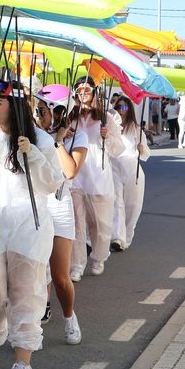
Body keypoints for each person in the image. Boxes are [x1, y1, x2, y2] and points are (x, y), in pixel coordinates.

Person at [0, 79, 63, 369]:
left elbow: (53, 183)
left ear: (14, 105)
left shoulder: (41, 140)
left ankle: (22, 363)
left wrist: (33, 153)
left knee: (26, 292)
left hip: (29, 226)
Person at [35, 93, 87, 346]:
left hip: (59, 204)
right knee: (35, 270)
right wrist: (40, 131)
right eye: (39, 109)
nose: (41, 114)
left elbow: (69, 171)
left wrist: (57, 142)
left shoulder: (78, 136)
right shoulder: (33, 134)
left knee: (59, 275)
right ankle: (36, 317)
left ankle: (69, 315)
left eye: (45, 110)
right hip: (35, 203)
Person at [67, 77, 124, 278]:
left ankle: (99, 257)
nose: (83, 93)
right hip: (76, 174)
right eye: (79, 90)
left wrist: (107, 136)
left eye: (87, 89)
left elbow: (118, 149)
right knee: (76, 222)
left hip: (98, 176)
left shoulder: (105, 118)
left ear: (94, 92)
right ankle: (77, 265)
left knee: (100, 224)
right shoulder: (70, 117)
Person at [110, 96, 151, 252]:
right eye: (118, 107)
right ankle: (118, 238)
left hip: (132, 167)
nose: (121, 110)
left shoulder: (135, 128)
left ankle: (127, 236)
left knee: (132, 205)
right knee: (117, 202)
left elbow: (146, 153)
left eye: (124, 107)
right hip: (114, 166)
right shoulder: (110, 126)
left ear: (129, 110)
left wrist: (142, 149)